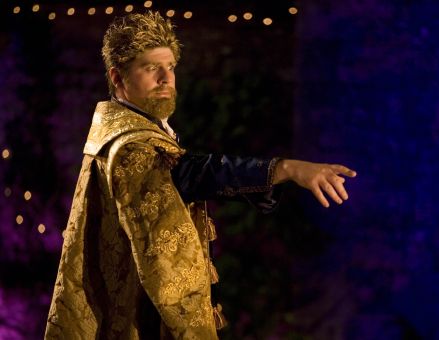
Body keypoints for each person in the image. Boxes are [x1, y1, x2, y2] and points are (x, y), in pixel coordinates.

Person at [45, 11, 356, 339]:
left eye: (171, 67)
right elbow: (192, 173)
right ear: (118, 78)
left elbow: (185, 177)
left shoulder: (134, 130)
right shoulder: (129, 146)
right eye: (151, 68)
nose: (166, 79)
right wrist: (286, 169)